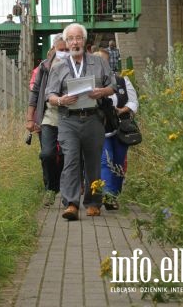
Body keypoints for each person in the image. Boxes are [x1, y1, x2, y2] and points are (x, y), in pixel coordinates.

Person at [45, 23, 116, 221]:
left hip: (93, 117)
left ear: (84, 41)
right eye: (71, 39)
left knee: (94, 162)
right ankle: (71, 204)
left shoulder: (98, 62)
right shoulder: (58, 67)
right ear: (66, 43)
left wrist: (101, 92)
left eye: (78, 38)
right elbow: (49, 94)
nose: (75, 42)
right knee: (71, 160)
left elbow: (112, 85)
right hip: (68, 119)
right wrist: (61, 100)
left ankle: (93, 202)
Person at [26, 35, 70, 206]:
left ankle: (61, 189)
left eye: (67, 50)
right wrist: (30, 118)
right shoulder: (44, 67)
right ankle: (51, 187)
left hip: (70, 116)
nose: (64, 53)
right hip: (49, 116)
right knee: (47, 154)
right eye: (61, 50)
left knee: (67, 155)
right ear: (53, 49)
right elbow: (35, 92)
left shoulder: (77, 66)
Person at [96, 48, 139, 210]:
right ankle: (108, 195)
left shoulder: (122, 80)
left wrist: (123, 110)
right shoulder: (92, 83)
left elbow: (134, 102)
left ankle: (115, 193)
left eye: (104, 61)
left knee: (119, 162)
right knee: (106, 160)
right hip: (102, 128)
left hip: (121, 128)